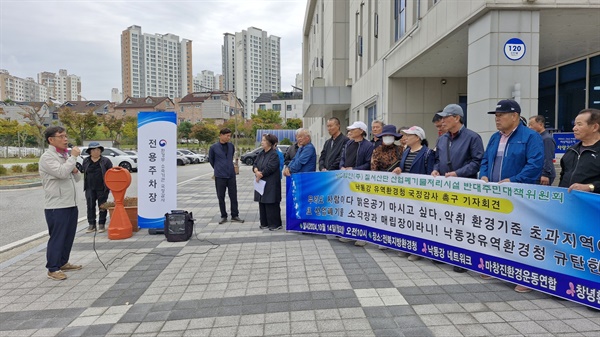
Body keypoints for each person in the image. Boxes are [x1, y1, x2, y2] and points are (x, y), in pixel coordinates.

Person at [480, 99, 544, 293]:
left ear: (515, 116)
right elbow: (485, 159)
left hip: (520, 195)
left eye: (501, 115)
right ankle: (497, 267)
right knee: (499, 232)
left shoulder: (531, 137)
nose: (497, 119)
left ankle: (525, 276)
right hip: (496, 195)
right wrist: (482, 175)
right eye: (496, 116)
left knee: (521, 234)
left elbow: (535, 165)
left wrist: (514, 180)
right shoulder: (494, 137)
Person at [432, 104, 484, 273]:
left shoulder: (472, 137)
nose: (442, 121)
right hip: (445, 188)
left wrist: (458, 173)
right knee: (444, 219)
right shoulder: (442, 138)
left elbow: (477, 162)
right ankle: (444, 253)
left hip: (464, 188)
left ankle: (462, 259)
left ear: (457, 118)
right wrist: (436, 169)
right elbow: (438, 159)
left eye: (446, 117)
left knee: (462, 223)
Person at [39, 126, 83, 281]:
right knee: (57, 236)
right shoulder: (47, 157)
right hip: (56, 205)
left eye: (66, 136)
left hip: (70, 203)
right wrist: (72, 158)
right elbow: (62, 173)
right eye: (61, 136)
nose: (65, 139)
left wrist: (73, 166)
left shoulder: (64, 156)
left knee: (69, 235)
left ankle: (63, 262)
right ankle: (52, 268)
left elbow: (77, 178)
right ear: (51, 140)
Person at [396, 126, 436, 260]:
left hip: (419, 194)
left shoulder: (428, 153)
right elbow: (403, 168)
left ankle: (418, 250)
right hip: (405, 193)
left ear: (418, 138)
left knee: (418, 222)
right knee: (406, 221)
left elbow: (429, 174)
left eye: (409, 135)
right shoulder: (406, 151)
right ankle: (406, 246)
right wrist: (398, 170)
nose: (405, 138)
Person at [339, 121, 374, 247]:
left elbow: (368, 164)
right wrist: (342, 167)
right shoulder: (348, 143)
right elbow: (342, 158)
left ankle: (362, 236)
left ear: (360, 131)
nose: (351, 132)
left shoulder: (368, 145)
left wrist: (354, 170)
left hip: (360, 181)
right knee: (349, 206)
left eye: (353, 130)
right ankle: (350, 234)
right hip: (347, 180)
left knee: (361, 208)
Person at [369, 124, 403, 250]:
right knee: (383, 213)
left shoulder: (401, 150)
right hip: (382, 188)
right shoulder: (377, 151)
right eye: (386, 135)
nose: (388, 138)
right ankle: (383, 239)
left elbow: (404, 166)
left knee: (397, 213)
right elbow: (373, 169)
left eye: (391, 136)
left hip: (398, 188)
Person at [559, 108, 600, 194]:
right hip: (569, 203)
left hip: (593, 204)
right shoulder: (571, 150)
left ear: (595, 127)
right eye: (574, 125)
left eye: (579, 124)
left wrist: (591, 187)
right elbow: (563, 176)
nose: (574, 128)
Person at [209, 128, 244, 224]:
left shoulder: (231, 146)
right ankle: (223, 215)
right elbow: (211, 161)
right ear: (221, 135)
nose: (229, 137)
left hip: (231, 175)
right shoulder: (213, 147)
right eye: (227, 135)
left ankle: (235, 215)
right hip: (220, 176)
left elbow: (230, 157)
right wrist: (218, 168)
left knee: (233, 196)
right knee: (221, 196)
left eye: (230, 136)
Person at [253, 134, 283, 231]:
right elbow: (255, 164)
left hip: (271, 183)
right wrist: (256, 171)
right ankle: (264, 223)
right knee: (262, 202)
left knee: (271, 202)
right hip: (261, 182)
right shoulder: (261, 153)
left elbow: (270, 167)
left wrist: (260, 174)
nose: (262, 142)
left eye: (264, 141)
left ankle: (275, 224)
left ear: (270, 143)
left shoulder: (274, 154)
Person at [81, 142, 113, 233]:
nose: (96, 152)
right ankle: (91, 224)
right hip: (89, 187)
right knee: (90, 205)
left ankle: (101, 224)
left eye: (98, 150)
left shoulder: (106, 161)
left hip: (102, 187)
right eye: (94, 150)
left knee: (102, 206)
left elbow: (110, 174)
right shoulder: (86, 161)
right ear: (90, 151)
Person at [528, 115, 556, 185]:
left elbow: (548, 157)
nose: (529, 127)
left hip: (543, 175)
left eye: (531, 125)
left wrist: (545, 174)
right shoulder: (538, 137)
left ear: (540, 124)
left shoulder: (546, 139)